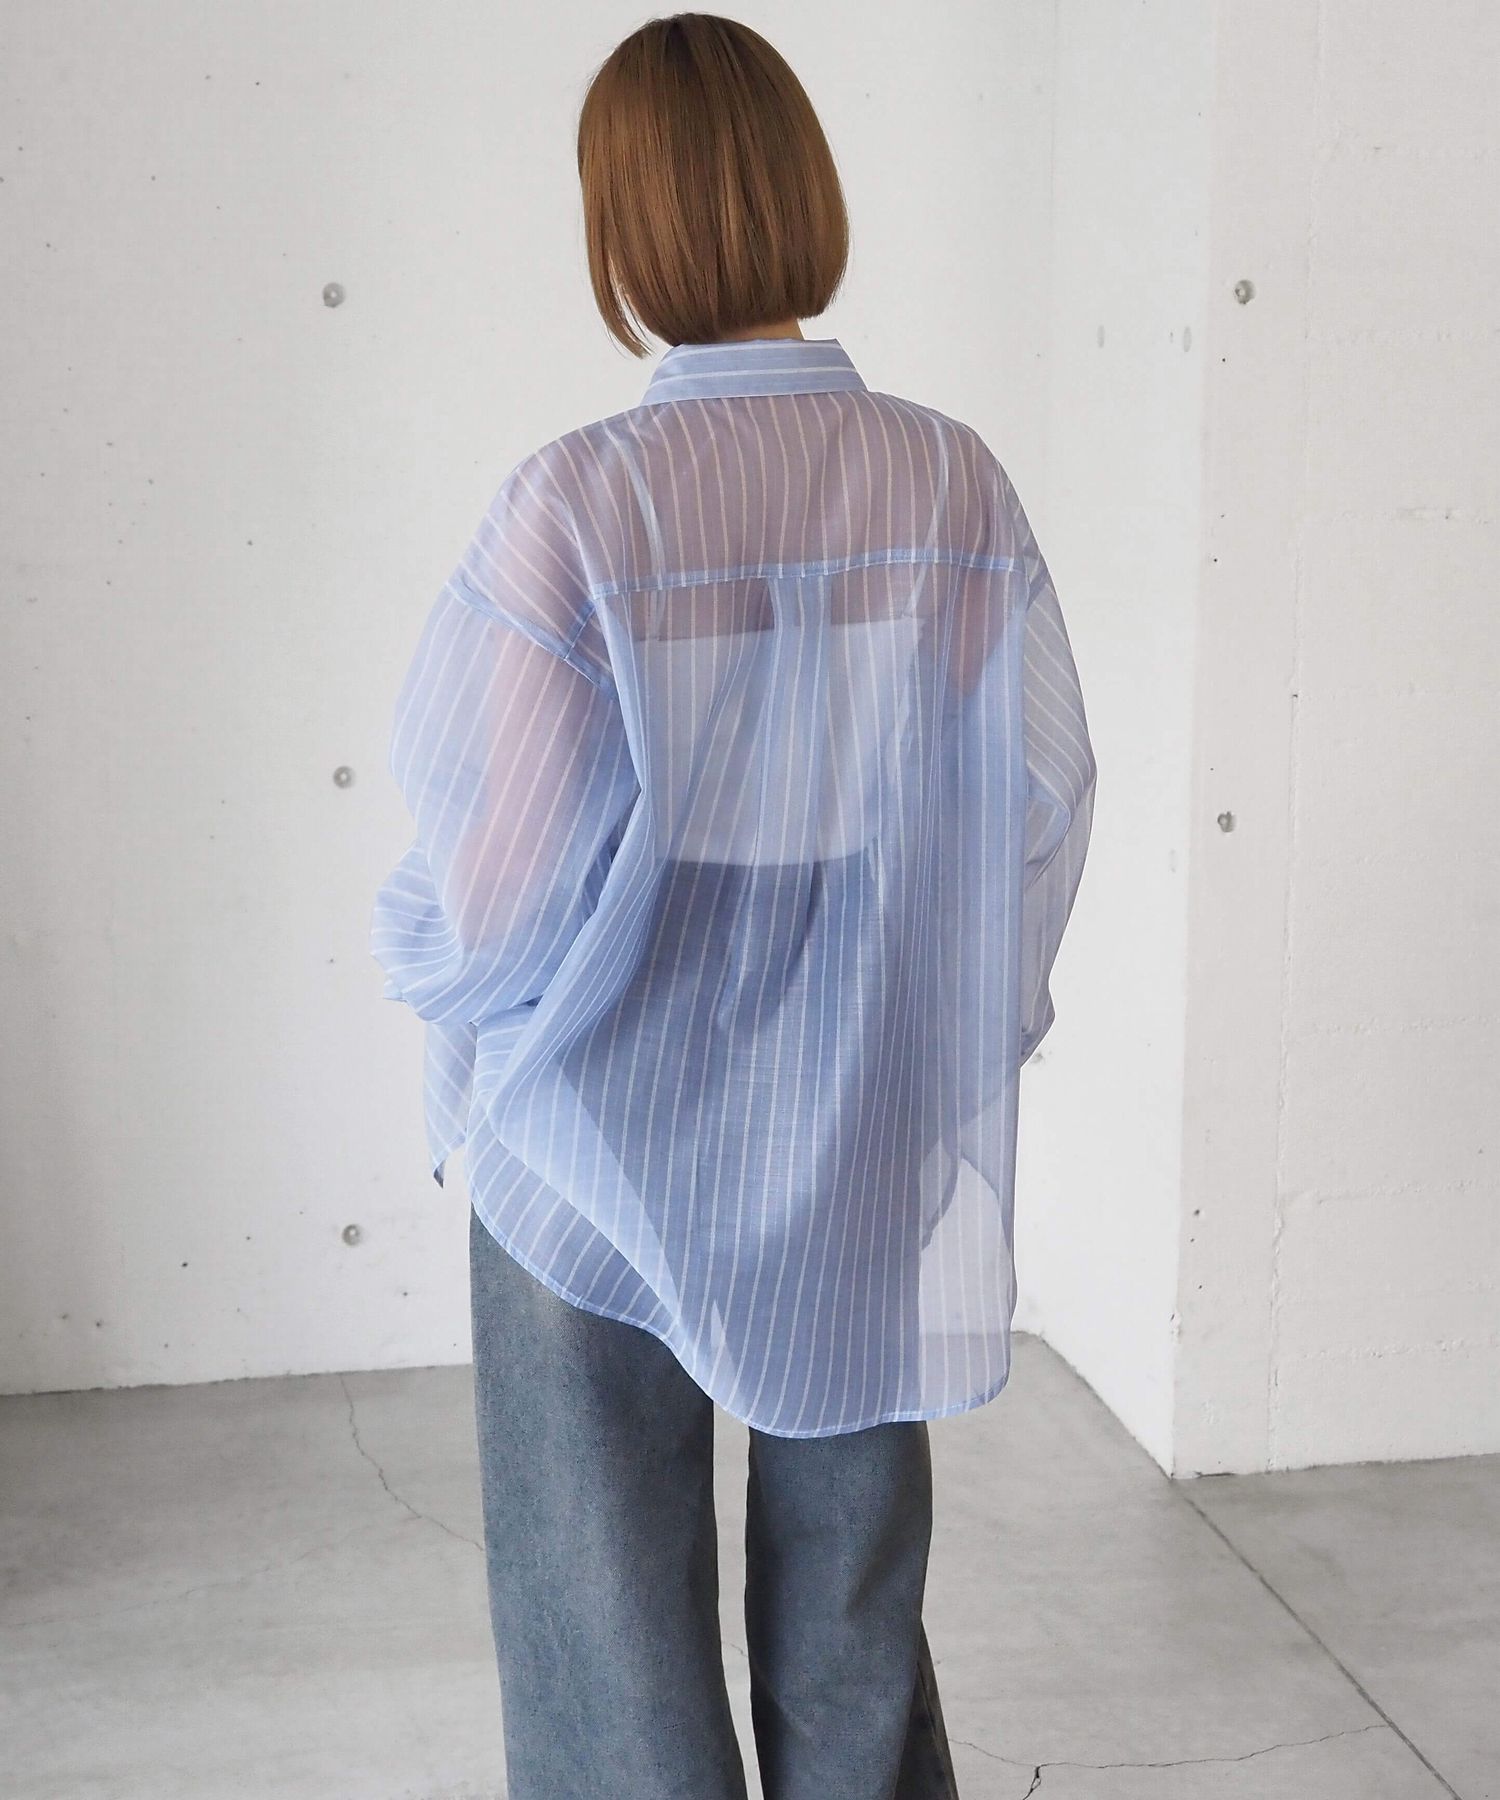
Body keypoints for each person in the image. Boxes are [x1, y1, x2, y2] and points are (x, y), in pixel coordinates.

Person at [370, 12, 1096, 1797]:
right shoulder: (949, 480)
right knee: (855, 1558)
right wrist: (932, 1033)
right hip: (852, 1108)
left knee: (600, 1594)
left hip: (600, 1128)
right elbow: (1030, 800)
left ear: (623, 227)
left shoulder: (576, 503)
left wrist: (426, 969)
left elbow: (499, 898)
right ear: (803, 193)